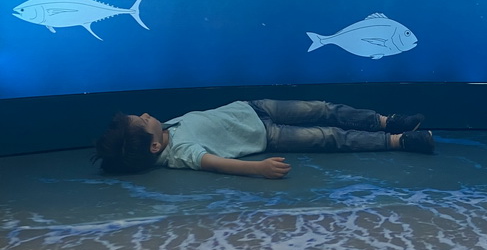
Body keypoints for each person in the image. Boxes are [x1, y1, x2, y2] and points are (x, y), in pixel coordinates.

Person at [93, 98, 434, 177]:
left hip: (255, 107)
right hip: (267, 134)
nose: (146, 115)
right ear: (155, 146)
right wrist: (257, 169)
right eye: (143, 122)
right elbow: (215, 163)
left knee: (325, 108)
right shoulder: (179, 151)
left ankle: (387, 121)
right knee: (330, 136)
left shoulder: (166, 132)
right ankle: (399, 140)